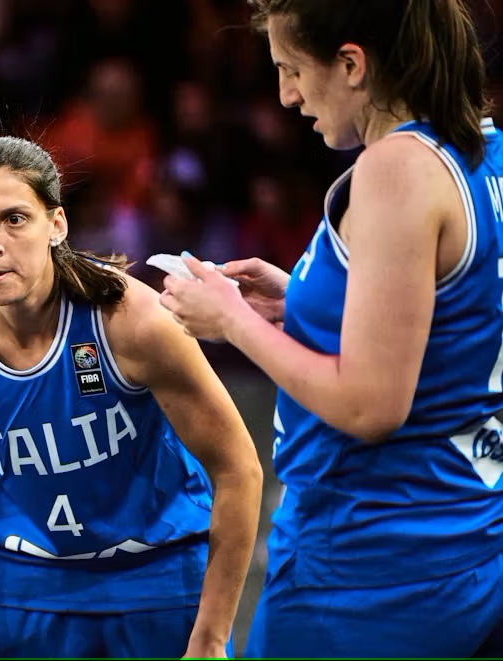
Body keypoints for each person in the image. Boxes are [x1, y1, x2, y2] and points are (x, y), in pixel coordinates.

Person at [160, 0, 503, 656]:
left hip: (370, 567)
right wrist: (300, 303)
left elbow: (370, 405)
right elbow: (452, 319)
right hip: (468, 542)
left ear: (352, 64)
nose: (286, 96)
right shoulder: (485, 151)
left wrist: (230, 320)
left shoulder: (395, 170)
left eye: (291, 70)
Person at [0, 136, 262, 659]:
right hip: (16, 586)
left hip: (154, 577)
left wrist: (210, 639)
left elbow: (238, 469)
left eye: (15, 218)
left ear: (57, 225)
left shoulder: (131, 320)